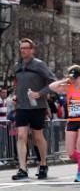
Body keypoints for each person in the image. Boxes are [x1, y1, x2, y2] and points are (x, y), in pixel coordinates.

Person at [12, 38, 57, 181]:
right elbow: (18, 84)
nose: (23, 50)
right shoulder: (17, 66)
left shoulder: (39, 65)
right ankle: (22, 169)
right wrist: (15, 95)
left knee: (37, 136)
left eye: (26, 48)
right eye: (21, 48)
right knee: (21, 136)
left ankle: (43, 164)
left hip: (37, 106)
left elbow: (53, 82)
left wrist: (39, 93)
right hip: (21, 106)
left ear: (32, 50)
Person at [49, 66, 80, 182]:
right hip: (72, 120)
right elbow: (51, 87)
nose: (73, 80)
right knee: (70, 153)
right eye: (71, 78)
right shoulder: (67, 88)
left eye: (75, 78)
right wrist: (64, 80)